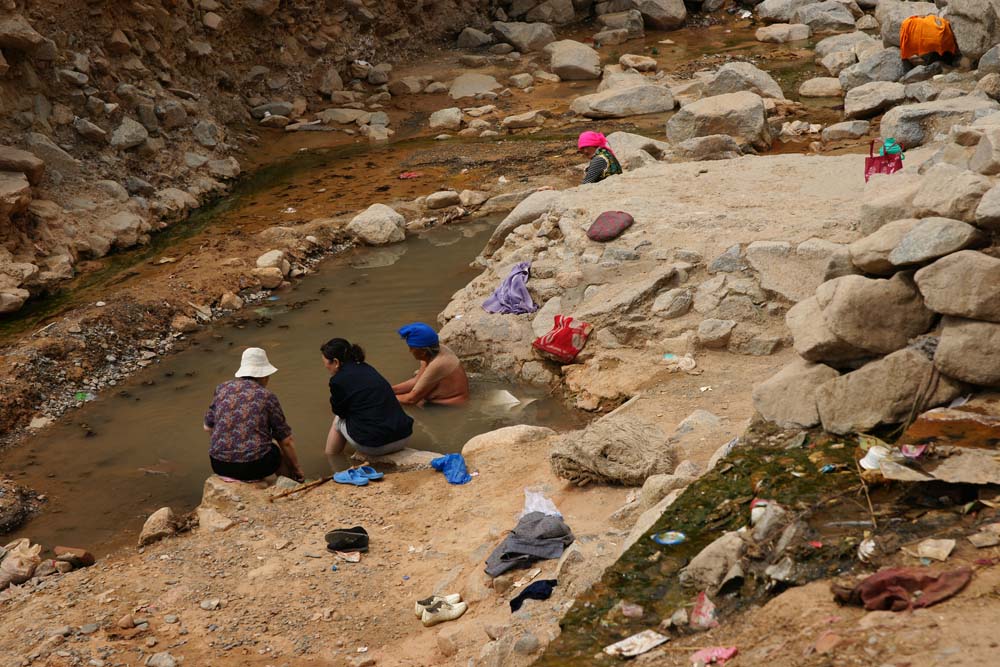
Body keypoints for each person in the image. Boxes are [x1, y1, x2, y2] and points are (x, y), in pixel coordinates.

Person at [204, 347, 304, 482]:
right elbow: (285, 440)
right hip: (255, 466)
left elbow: (208, 427)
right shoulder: (267, 396)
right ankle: (289, 482)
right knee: (275, 448)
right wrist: (297, 468)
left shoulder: (222, 388)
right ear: (263, 375)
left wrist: (229, 447)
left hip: (219, 465)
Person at [321, 338, 414, 470]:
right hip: (404, 436)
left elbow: (339, 411)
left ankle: (333, 461)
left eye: (327, 364)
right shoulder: (367, 367)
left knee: (337, 421)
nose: (327, 368)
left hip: (376, 447)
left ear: (336, 362)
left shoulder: (338, 380)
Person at [392, 322, 470, 406]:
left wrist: (384, 397)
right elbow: (416, 381)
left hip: (449, 406)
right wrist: (388, 390)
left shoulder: (438, 363)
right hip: (437, 401)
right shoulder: (431, 352)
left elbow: (411, 399)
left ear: (423, 351)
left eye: (411, 348)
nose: (410, 351)